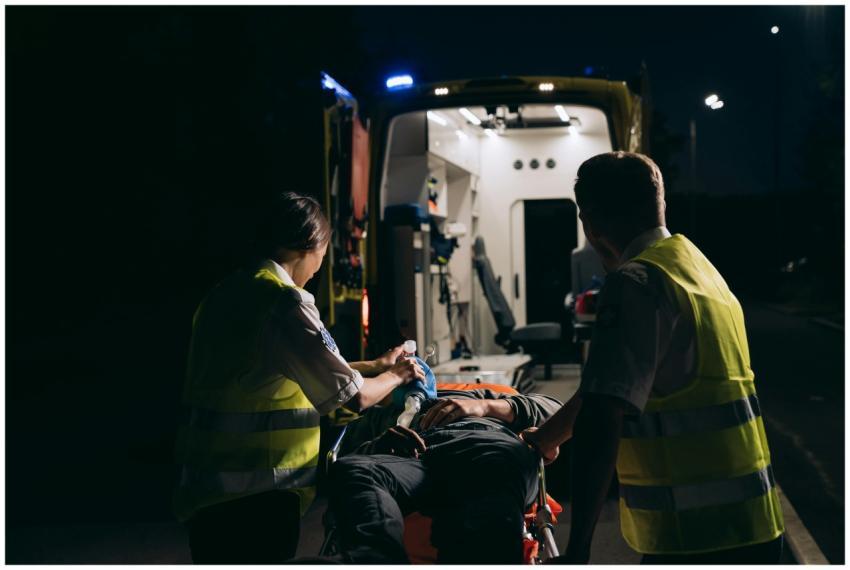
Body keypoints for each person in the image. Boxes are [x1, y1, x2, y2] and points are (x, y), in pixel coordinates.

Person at [522, 152, 785, 564]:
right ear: (659, 204)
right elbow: (612, 386)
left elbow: (601, 417)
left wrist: (578, 548)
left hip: (693, 536)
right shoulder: (699, 270)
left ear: (588, 219)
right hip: (754, 521)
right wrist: (545, 439)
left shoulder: (636, 283)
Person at [173, 191, 425, 563]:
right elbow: (354, 398)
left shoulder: (226, 294)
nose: (321, 266)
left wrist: (373, 366)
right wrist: (400, 374)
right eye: (323, 253)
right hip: (259, 496)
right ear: (311, 244)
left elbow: (269, 373)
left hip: (207, 492)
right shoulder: (283, 303)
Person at [326, 386, 563, 564]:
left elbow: (554, 409)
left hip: (485, 448)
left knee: (488, 500)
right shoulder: (384, 414)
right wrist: (380, 444)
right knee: (354, 468)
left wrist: (482, 407)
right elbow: (347, 453)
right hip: (415, 459)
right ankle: (376, 555)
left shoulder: (480, 396)